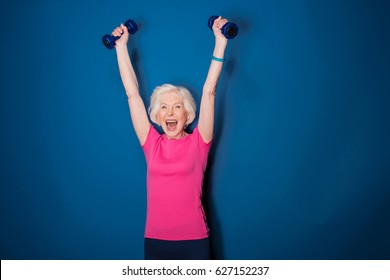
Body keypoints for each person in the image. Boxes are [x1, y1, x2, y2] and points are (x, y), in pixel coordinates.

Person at [111, 16, 229, 260]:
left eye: (176, 107)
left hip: (195, 241)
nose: (170, 113)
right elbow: (132, 95)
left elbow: (209, 91)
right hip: (155, 242)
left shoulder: (199, 142)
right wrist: (120, 47)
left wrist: (220, 42)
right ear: (156, 115)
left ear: (187, 115)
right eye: (163, 108)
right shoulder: (151, 144)